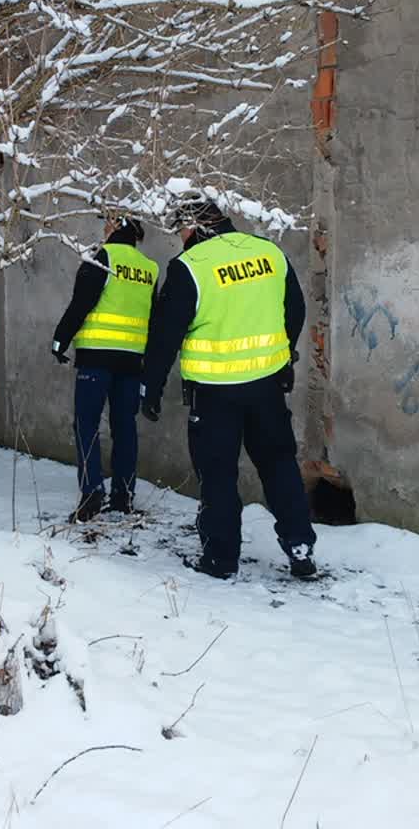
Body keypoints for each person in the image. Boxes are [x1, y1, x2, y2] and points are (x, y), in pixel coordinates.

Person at [140, 194, 318, 579]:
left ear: (192, 226)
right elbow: (296, 309)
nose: (180, 236)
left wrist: (150, 388)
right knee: (279, 466)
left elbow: (164, 336)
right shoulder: (268, 252)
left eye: (180, 229)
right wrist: (283, 358)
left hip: (215, 394)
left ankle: (220, 559)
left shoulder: (190, 267)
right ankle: (300, 548)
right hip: (267, 388)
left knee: (219, 476)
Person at [51, 214, 159, 521]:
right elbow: (154, 318)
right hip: (131, 361)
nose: (104, 228)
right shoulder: (149, 268)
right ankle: (123, 496)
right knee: (125, 427)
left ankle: (92, 493)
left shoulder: (103, 258)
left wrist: (60, 340)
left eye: (109, 223)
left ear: (119, 228)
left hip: (96, 359)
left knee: (87, 424)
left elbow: (81, 303)